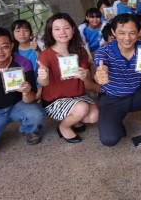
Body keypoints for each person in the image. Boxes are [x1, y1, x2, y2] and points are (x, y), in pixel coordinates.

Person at [94, 14, 141, 146]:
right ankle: (116, 121)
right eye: (121, 33)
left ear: (138, 32)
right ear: (113, 32)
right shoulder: (104, 51)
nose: (127, 38)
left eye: (132, 33)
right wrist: (100, 75)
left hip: (136, 94)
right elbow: (100, 70)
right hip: (113, 99)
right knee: (109, 140)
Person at [0, 27, 44, 166]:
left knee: (36, 113)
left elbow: (30, 99)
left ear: (11, 46)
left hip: (18, 105)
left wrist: (26, 91)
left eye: (4, 46)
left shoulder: (23, 63)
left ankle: (28, 129)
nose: (0, 52)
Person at [37, 13, 99, 143]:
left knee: (94, 116)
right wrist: (42, 76)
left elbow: (86, 74)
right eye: (57, 29)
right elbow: (43, 82)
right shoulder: (46, 55)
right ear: (51, 32)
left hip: (77, 96)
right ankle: (64, 127)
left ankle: (75, 118)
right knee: (82, 108)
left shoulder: (80, 51)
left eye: (66, 28)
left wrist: (84, 74)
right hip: (54, 100)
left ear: (73, 29)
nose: (62, 32)